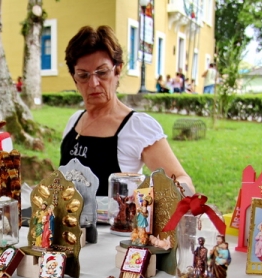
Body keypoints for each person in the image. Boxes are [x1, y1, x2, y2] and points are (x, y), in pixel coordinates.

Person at [59, 25, 194, 197]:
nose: (93, 83)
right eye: (83, 75)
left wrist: (153, 197)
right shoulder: (74, 121)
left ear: (118, 70)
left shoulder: (137, 126)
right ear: (74, 78)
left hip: (115, 223)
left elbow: (182, 179)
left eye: (102, 72)